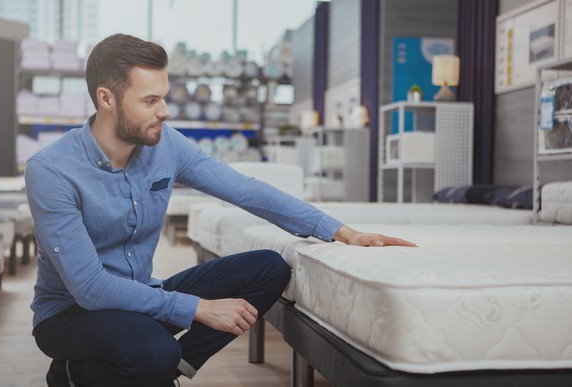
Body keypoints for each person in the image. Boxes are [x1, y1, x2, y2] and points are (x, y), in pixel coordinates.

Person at [25, 33, 416, 387]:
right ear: (106, 98)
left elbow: (244, 189)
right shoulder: (52, 170)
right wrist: (199, 309)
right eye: (150, 100)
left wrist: (340, 231)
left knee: (268, 267)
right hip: (71, 313)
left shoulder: (166, 145)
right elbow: (91, 288)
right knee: (153, 351)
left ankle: (170, 371)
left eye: (164, 96)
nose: (165, 111)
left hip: (141, 297)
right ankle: (74, 373)